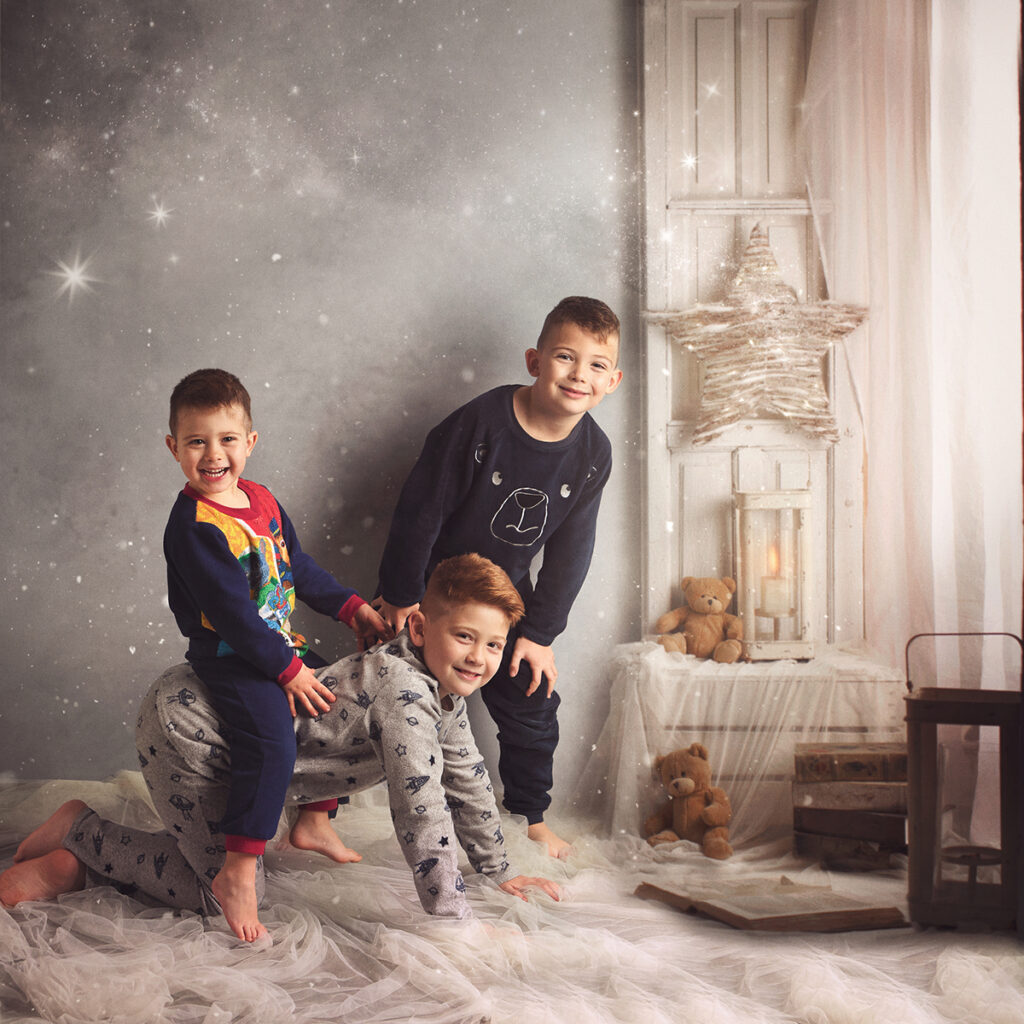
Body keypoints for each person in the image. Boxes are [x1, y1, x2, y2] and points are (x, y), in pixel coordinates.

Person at [0, 555, 561, 940]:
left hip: (230, 738)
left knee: (240, 873)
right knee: (224, 894)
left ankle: (85, 840)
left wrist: (497, 869)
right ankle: (82, 838)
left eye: (493, 644)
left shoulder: (442, 696)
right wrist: (452, 914)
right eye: (464, 636)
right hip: (192, 725)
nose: (478, 658)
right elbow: (422, 808)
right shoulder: (404, 691)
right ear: (418, 629)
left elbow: (465, 778)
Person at [375, 296, 623, 858]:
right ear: (535, 361)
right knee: (389, 693)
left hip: (505, 593)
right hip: (435, 587)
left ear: (614, 380)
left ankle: (528, 816)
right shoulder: (480, 424)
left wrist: (539, 634)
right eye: (565, 357)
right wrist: (400, 595)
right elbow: (421, 510)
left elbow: (571, 549)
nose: (579, 374)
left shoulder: (592, 453)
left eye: (597, 365)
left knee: (534, 697)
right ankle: (326, 808)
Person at [161, 368, 389, 939]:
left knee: (340, 704)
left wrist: (352, 607)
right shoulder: (193, 525)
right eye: (196, 441)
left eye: (227, 439)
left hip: (275, 640)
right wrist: (286, 671)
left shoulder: (260, 499)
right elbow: (235, 616)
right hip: (229, 650)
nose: (213, 455)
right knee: (270, 736)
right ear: (174, 448)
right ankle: (236, 870)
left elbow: (298, 569)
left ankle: (313, 820)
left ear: (250, 443)